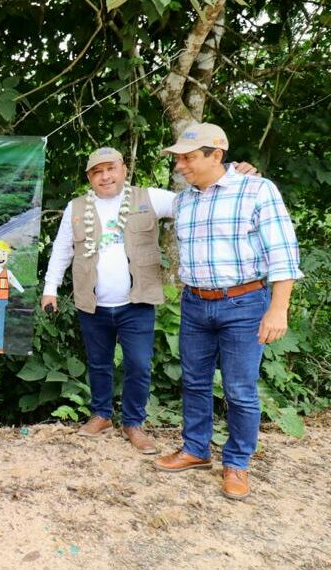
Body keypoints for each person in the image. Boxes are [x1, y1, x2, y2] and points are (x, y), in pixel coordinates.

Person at [42, 148, 257, 454]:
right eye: (97, 172)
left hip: (136, 303)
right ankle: (101, 415)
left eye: (111, 169)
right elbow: (62, 249)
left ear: (123, 169)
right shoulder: (76, 207)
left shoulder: (150, 198)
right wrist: (50, 288)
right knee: (98, 363)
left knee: (139, 365)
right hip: (92, 303)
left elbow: (201, 195)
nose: (105, 177)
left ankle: (133, 422)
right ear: (89, 177)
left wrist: (232, 174)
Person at [153, 123, 302, 501]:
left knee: (239, 389)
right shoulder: (185, 199)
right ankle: (195, 450)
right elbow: (134, 200)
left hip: (244, 303)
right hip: (195, 303)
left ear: (216, 155)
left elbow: (283, 256)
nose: (181, 166)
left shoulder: (257, 190)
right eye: (178, 159)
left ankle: (236, 463)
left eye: (188, 158)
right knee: (195, 381)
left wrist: (278, 310)